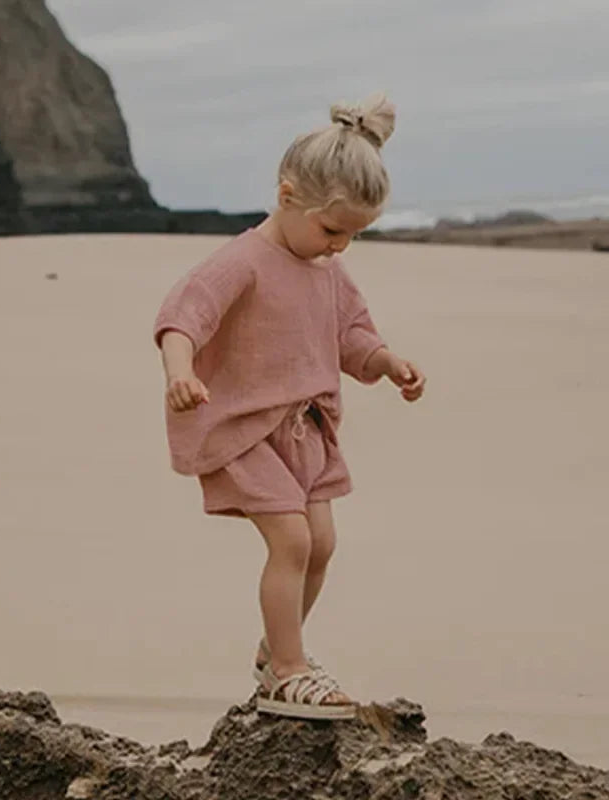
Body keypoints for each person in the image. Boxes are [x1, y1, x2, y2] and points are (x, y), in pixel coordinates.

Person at [152, 93, 426, 720]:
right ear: (286, 196)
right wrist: (179, 371)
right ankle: (288, 671)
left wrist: (384, 363)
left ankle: (275, 651)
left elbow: (351, 333)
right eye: (333, 230)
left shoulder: (328, 270)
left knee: (322, 544)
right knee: (293, 539)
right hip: (245, 427)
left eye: (356, 235)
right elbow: (182, 316)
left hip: (306, 429)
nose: (340, 247)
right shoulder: (242, 260)